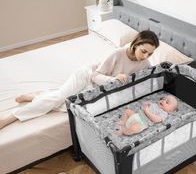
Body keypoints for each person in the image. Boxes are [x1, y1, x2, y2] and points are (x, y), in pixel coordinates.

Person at [0, 30, 159, 129]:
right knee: (59, 98)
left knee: (65, 106)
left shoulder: (145, 63)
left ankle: (35, 96)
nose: (145, 56)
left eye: (150, 54)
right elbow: (95, 75)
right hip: (86, 76)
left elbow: (151, 75)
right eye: (144, 51)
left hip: (95, 89)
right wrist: (114, 79)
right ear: (135, 44)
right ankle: (11, 117)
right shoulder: (118, 54)